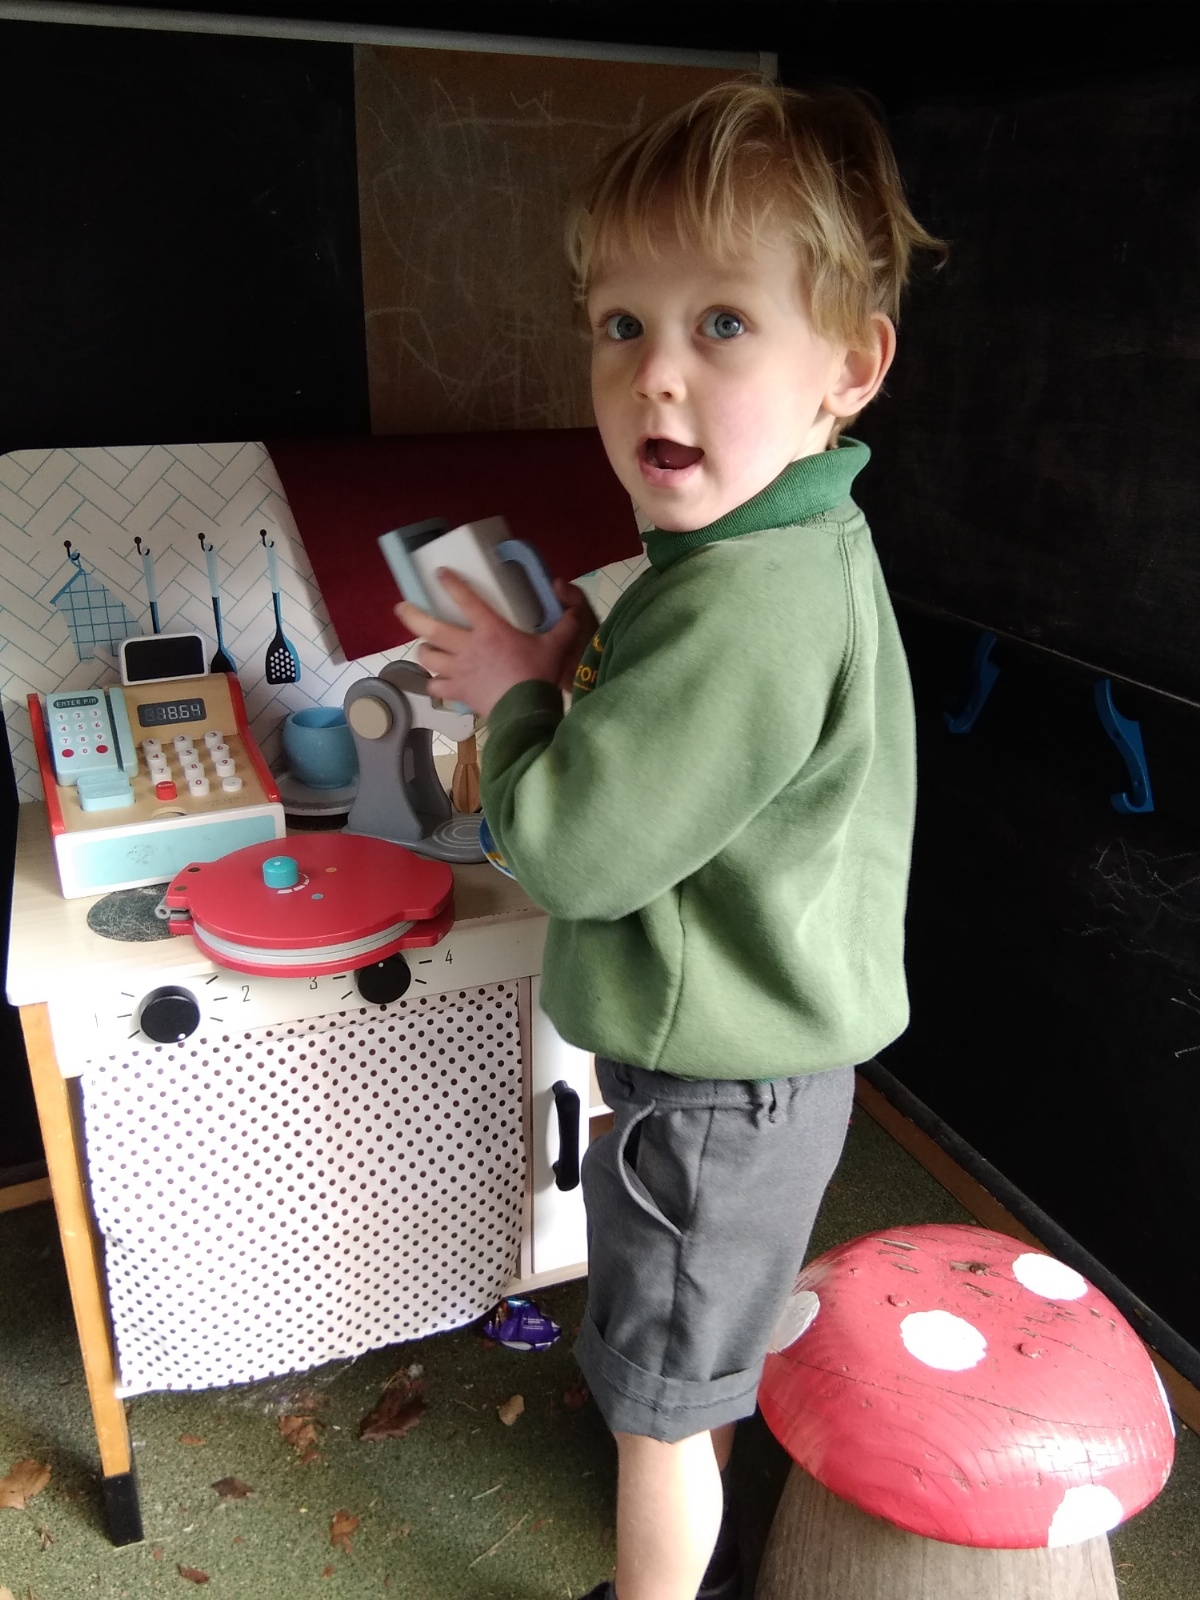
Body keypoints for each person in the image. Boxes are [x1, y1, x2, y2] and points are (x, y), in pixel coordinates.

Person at [396, 80, 944, 1600]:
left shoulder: (743, 604)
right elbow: (685, 754)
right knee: (694, 1370)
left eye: (722, 325)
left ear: (851, 368)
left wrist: (515, 702)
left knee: (655, 1408)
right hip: (754, 1075)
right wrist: (566, 659)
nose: (655, 376)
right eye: (621, 325)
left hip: (712, 1103)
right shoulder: (779, 548)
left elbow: (573, 852)